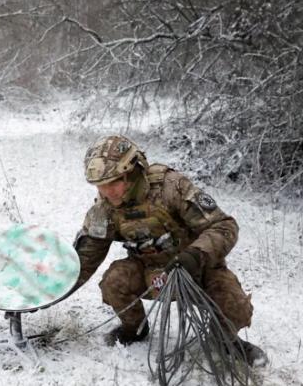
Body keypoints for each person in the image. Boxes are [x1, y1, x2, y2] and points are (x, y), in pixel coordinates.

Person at [71, 135, 268, 366]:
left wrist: (195, 256)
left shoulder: (170, 187)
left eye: (113, 182)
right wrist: (48, 293)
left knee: (234, 305)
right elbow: (85, 259)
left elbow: (224, 226)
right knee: (114, 281)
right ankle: (134, 329)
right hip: (150, 273)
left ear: (132, 172)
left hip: (196, 268)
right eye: (100, 186)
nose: (107, 192)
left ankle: (226, 341)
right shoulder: (103, 209)